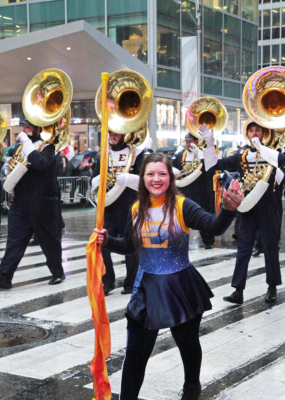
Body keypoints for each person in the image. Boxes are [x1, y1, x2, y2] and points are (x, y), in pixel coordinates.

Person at [94, 152, 241, 400]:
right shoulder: (135, 209)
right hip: (146, 289)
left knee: (188, 346)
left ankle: (192, 389)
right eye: (150, 174)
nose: (156, 179)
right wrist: (108, 241)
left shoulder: (183, 206)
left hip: (180, 287)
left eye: (162, 173)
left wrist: (228, 210)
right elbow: (131, 246)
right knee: (135, 353)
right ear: (142, 179)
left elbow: (214, 227)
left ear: (170, 178)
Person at [202, 121, 285, 305]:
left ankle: (272, 287)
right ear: (246, 134)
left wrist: (261, 148)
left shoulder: (270, 154)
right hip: (247, 207)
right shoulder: (241, 155)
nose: (254, 133)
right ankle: (238, 290)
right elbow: (212, 166)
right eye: (251, 130)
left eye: (258, 130)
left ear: (264, 133)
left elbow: (283, 161)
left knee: (270, 248)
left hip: (268, 207)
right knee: (244, 247)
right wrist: (209, 145)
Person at [0, 119, 65, 288]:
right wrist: (7, 168)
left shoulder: (49, 147)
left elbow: (40, 163)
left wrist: (27, 143)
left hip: (43, 201)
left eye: (28, 127)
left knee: (49, 240)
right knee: (15, 240)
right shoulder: (19, 148)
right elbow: (14, 169)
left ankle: (57, 272)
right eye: (24, 127)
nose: (24, 130)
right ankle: (4, 275)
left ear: (37, 129)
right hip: (21, 200)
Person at [91, 131, 144, 295]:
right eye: (110, 133)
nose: (111, 136)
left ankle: (131, 282)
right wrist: (99, 179)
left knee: (130, 244)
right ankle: (107, 281)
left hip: (129, 203)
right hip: (108, 206)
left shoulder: (137, 153)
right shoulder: (103, 154)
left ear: (124, 133)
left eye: (115, 133)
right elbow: (93, 180)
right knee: (102, 243)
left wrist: (127, 178)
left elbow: (143, 180)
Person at [172, 132, 216, 249]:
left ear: (196, 142)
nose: (188, 144)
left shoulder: (203, 154)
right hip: (185, 190)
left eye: (190, 141)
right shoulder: (180, 155)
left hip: (201, 190)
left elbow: (211, 172)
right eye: (187, 141)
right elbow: (174, 168)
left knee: (202, 215)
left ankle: (208, 241)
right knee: (181, 215)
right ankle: (179, 241)